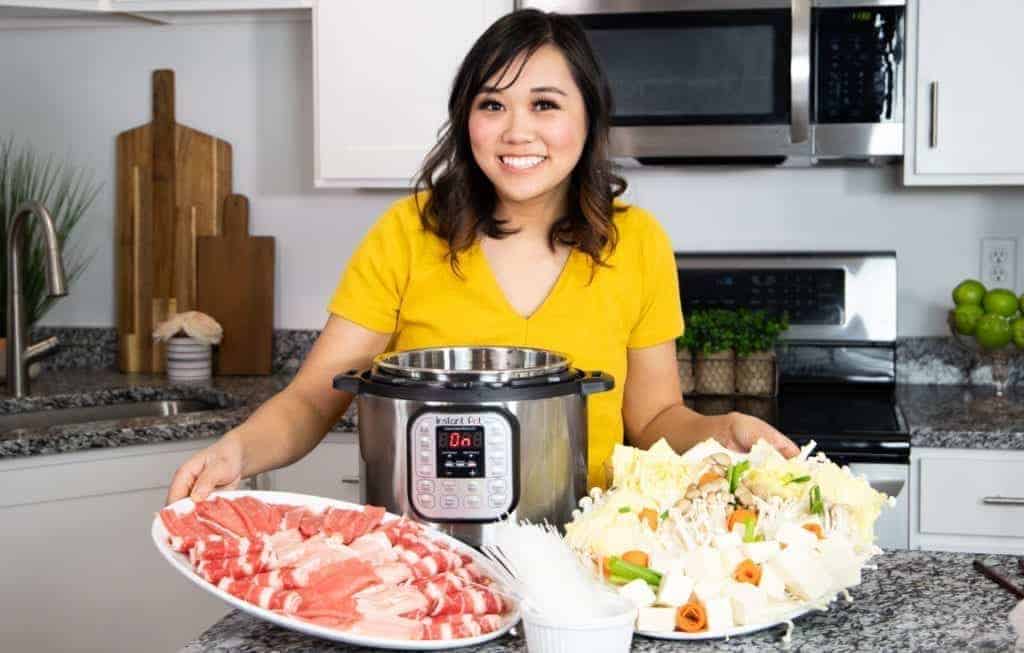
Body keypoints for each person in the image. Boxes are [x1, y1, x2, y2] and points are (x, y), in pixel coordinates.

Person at [166, 9, 797, 506]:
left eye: (545, 105)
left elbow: (655, 419)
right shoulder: (407, 234)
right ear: (466, 120)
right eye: (492, 104)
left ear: (589, 117)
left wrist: (722, 431)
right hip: (424, 553)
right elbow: (311, 400)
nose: (517, 131)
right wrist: (238, 451)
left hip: (587, 551)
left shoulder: (636, 243)